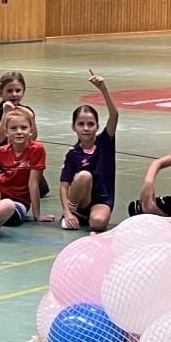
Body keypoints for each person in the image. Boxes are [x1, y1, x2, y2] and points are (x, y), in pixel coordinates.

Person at [60, 72, 119, 232]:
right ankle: (73, 213)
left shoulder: (105, 142)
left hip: (101, 199)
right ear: (74, 127)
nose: (86, 128)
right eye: (81, 124)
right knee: (84, 176)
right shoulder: (73, 153)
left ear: (97, 126)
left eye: (90, 124)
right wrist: (66, 212)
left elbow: (114, 115)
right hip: (81, 200)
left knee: (98, 223)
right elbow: (64, 185)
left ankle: (84, 217)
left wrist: (103, 89)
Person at [0, 105, 45, 225]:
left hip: (19, 201)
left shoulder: (37, 150)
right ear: (7, 132)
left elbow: (33, 183)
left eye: (23, 128)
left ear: (31, 130)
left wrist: (37, 215)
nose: (19, 132)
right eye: (13, 128)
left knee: (12, 218)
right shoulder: (0, 152)